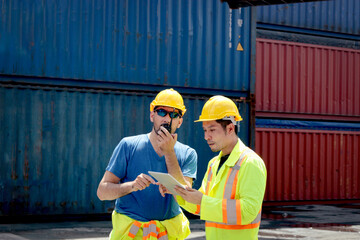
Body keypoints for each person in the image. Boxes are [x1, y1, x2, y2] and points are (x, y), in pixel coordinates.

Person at [97, 88, 198, 240]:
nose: (167, 118)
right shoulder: (128, 146)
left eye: (174, 114)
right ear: (152, 115)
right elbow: (102, 192)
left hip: (167, 234)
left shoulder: (188, 154)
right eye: (162, 112)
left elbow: (187, 198)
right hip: (131, 234)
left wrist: (169, 152)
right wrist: (132, 186)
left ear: (180, 121)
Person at [174, 95, 267, 240]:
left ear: (230, 128)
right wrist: (177, 192)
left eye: (212, 130)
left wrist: (203, 201)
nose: (206, 136)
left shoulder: (251, 162)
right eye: (205, 130)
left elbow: (248, 212)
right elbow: (200, 206)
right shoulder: (213, 164)